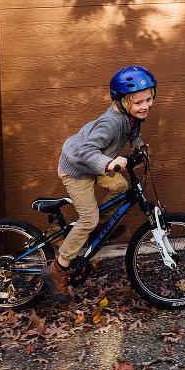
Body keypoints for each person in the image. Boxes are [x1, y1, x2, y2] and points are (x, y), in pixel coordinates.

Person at [41, 65, 157, 302]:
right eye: (139, 103)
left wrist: (138, 147)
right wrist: (109, 164)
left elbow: (133, 133)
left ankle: (97, 230)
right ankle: (57, 268)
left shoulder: (132, 117)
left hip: (98, 163)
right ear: (123, 102)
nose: (145, 106)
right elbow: (86, 150)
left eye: (149, 99)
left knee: (121, 188)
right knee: (88, 217)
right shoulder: (111, 123)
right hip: (77, 169)